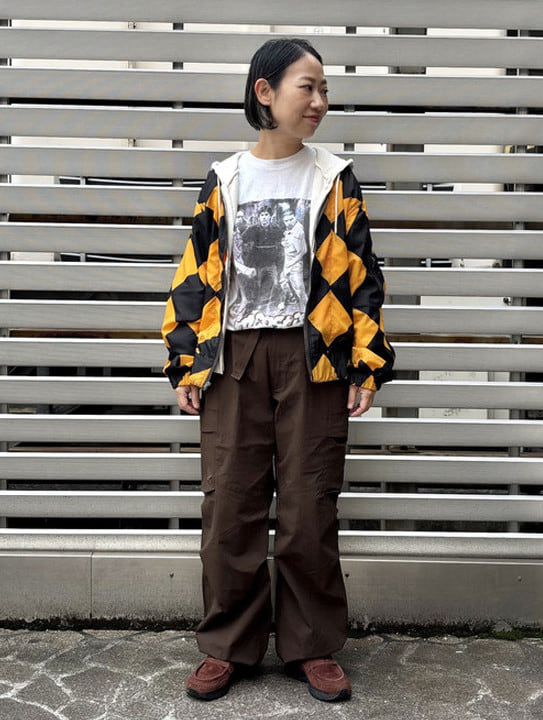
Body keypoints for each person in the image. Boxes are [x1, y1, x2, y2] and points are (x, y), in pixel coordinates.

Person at [161, 37, 395, 703]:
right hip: (234, 359)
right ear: (264, 92)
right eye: (307, 87)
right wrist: (186, 359)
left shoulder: (334, 178)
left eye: (324, 90)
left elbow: (362, 275)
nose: (319, 101)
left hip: (313, 357)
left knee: (308, 505)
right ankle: (227, 644)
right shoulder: (226, 178)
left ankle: (311, 645)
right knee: (229, 506)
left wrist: (365, 363)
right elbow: (196, 273)